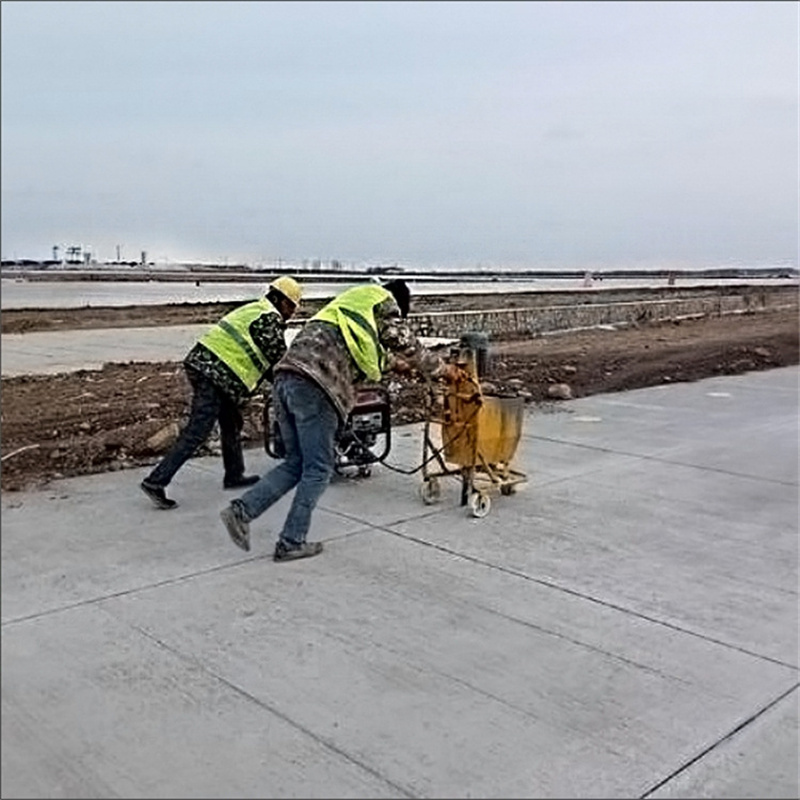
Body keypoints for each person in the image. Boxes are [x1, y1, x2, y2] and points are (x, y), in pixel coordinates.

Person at [219, 279, 441, 562]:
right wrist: (443, 370)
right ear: (398, 304)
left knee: (296, 463)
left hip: (286, 379)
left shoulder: (351, 306)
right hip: (317, 386)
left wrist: (401, 367)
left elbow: (371, 353)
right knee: (319, 468)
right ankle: (291, 541)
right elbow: (407, 344)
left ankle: (241, 511)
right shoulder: (384, 302)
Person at [140, 276, 303, 510]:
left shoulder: (256, 309)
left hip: (211, 371)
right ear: (280, 300)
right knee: (198, 431)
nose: (292, 313)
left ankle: (234, 475)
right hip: (213, 374)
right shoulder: (269, 318)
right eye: (291, 306)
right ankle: (155, 481)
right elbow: (276, 358)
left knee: (232, 422)